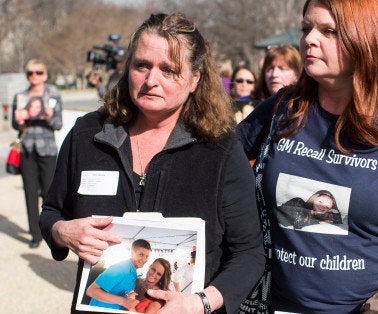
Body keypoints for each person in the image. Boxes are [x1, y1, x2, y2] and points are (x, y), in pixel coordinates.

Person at [237, 0, 378, 311]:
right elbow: (219, 165)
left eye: (329, 31)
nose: (309, 39)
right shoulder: (281, 108)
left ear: (364, 40)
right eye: (306, 29)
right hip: (275, 304)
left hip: (371, 307)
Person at [39, 13, 264, 314]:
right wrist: (61, 232)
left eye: (169, 70)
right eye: (141, 65)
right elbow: (51, 211)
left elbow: (250, 254)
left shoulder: (220, 150)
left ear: (195, 78)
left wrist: (202, 302)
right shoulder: (87, 135)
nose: (151, 81)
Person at [11, 59, 63, 249]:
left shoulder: (53, 94)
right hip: (27, 150)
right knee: (29, 192)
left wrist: (49, 115)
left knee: (49, 194)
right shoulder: (20, 96)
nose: (34, 76)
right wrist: (18, 120)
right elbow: (15, 125)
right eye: (30, 73)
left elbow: (59, 124)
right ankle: (35, 234)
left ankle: (49, 230)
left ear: (45, 74)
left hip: (47, 149)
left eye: (38, 72)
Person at [86, 239, 151, 310]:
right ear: (132, 253)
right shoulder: (120, 268)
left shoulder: (133, 273)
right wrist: (124, 301)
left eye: (146, 256)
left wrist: (129, 296)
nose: (144, 259)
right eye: (141, 254)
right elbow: (91, 291)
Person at [277, 190, 343, 230]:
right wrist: (318, 222)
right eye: (320, 201)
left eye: (327, 207)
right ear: (313, 198)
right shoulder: (298, 201)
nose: (322, 206)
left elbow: (338, 222)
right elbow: (297, 223)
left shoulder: (324, 217)